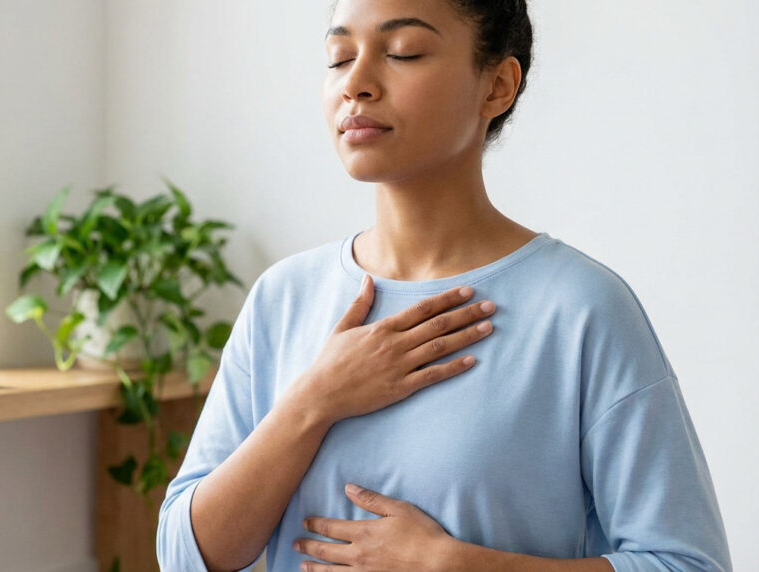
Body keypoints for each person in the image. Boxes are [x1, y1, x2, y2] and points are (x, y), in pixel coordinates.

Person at [157, 1, 732, 570]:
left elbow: (689, 564)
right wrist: (315, 400)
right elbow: (185, 557)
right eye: (339, 58)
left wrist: (459, 566)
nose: (355, 83)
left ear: (498, 87)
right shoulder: (283, 297)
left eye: (403, 52)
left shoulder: (581, 308)